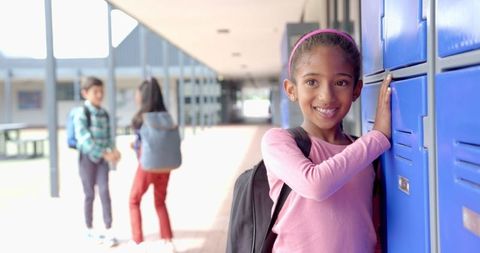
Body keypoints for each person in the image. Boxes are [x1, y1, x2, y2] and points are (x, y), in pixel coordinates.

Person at [261, 29, 392, 252]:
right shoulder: (279, 141)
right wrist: (378, 137)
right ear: (291, 90)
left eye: (341, 83)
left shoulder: (366, 154)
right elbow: (316, 185)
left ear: (356, 90)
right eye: (312, 82)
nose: (326, 96)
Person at [129, 77, 176, 252]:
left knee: (134, 200)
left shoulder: (141, 118)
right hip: (166, 167)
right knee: (160, 202)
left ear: (143, 96)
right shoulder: (167, 117)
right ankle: (168, 241)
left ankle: (137, 241)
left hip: (147, 166)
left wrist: (134, 146)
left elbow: (141, 143)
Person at [74, 76, 121, 247]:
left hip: (102, 160)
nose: (100, 95)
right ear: (85, 93)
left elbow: (109, 137)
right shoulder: (81, 113)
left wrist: (113, 150)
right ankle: (89, 229)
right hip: (87, 159)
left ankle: (109, 229)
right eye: (96, 91)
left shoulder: (104, 114)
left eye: (101, 91)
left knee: (104, 191)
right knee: (89, 194)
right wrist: (103, 153)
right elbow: (84, 139)